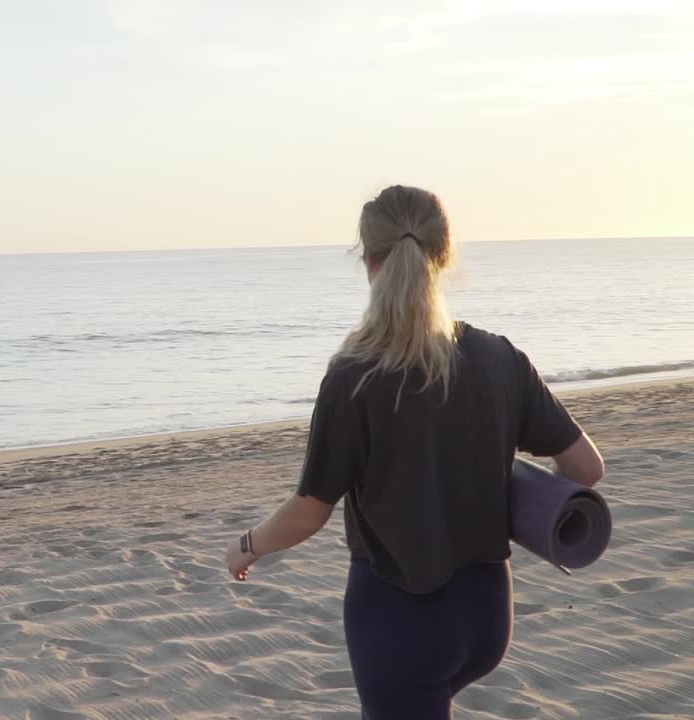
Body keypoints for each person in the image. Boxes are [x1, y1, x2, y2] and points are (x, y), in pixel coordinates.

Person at [224, 185, 605, 720]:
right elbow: (586, 468)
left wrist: (246, 546)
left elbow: (309, 511)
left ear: (369, 260)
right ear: (443, 256)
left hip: (400, 621)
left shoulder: (353, 377)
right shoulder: (499, 357)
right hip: (488, 616)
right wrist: (525, 498)